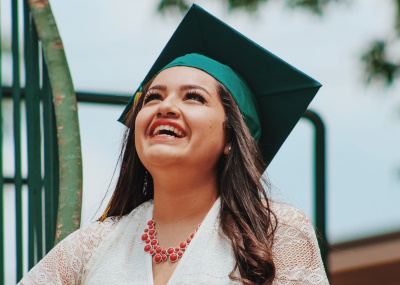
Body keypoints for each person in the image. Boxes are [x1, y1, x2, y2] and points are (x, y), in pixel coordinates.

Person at [18, 4, 329, 285]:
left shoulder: (276, 234)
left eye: (193, 97)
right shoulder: (91, 247)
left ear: (232, 138)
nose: (165, 107)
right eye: (153, 97)